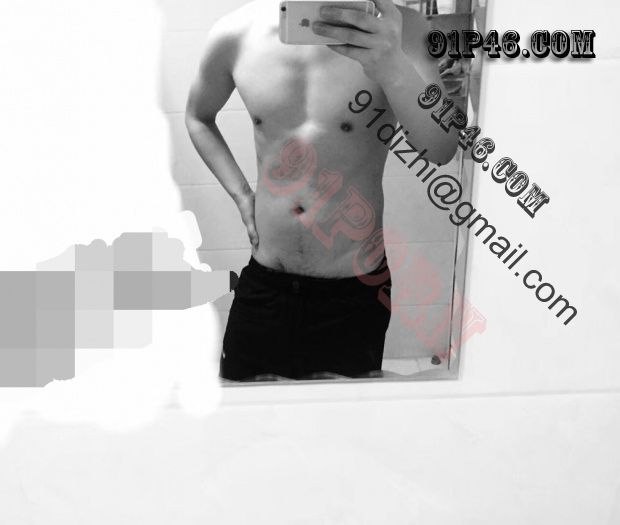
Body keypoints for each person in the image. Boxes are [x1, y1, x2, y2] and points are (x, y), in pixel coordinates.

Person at [185, 0, 458, 380]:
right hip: (267, 280)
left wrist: (391, 63)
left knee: (342, 418)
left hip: (354, 289)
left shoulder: (403, 30)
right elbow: (198, 117)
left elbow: (441, 148)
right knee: (246, 412)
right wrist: (241, 195)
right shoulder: (235, 32)